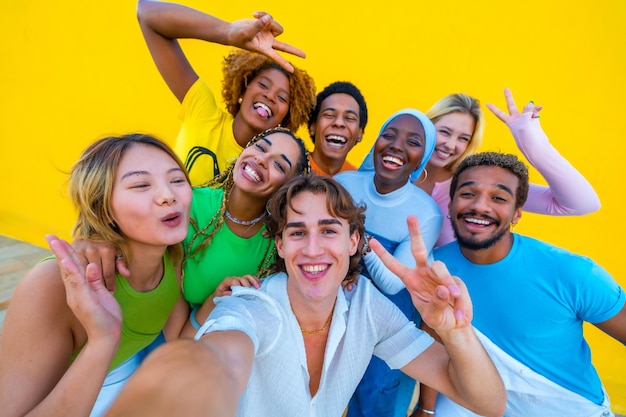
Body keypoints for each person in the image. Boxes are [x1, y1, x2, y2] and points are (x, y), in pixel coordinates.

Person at [104, 174, 506, 417]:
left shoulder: (368, 306)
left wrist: (453, 331)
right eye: (297, 232)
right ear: (279, 246)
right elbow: (217, 357)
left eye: (329, 230)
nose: (313, 249)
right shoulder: (253, 306)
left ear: (354, 243)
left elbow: (487, 402)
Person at [0, 134, 193, 417]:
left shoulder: (173, 257)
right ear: (103, 208)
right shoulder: (52, 284)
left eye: (177, 180)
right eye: (141, 184)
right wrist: (103, 340)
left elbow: (179, 338)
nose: (169, 195)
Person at [432, 152, 625, 416]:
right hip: (479, 404)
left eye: (499, 198)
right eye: (467, 194)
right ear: (451, 203)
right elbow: (434, 350)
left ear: (517, 213)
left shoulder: (571, 271)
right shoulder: (434, 269)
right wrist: (425, 409)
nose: (480, 206)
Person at [74, 127, 310, 334]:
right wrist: (94, 237)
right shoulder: (185, 202)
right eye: (260, 147)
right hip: (125, 321)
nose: (261, 159)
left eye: (279, 164)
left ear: (287, 187)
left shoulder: (274, 250)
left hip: (190, 343)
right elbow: (116, 223)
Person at [364, 89, 600, 247]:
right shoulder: (384, 168)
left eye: (463, 138)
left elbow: (581, 204)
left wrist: (532, 142)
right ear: (425, 126)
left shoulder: (476, 187)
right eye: (444, 132)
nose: (450, 144)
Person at [137, 0, 316, 185]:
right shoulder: (202, 111)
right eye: (263, 85)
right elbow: (147, 13)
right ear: (242, 89)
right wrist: (227, 32)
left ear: (286, 118)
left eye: (281, 97)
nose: (270, 96)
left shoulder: (270, 171)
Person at [338, 109, 441, 417]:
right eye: (389, 134)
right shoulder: (344, 183)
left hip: (388, 328)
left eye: (413, 141)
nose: (396, 145)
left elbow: (393, 282)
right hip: (336, 312)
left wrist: (356, 233)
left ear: (422, 158)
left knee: (372, 402)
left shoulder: (425, 213)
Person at [307, 81, 368, 176]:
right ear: (313, 126)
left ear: (360, 133)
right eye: (329, 115)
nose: (339, 123)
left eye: (349, 118)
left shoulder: (357, 184)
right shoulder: (290, 169)